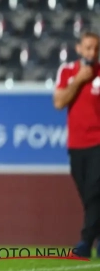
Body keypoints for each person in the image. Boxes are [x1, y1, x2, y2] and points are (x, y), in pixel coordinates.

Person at [53, 31, 100, 258]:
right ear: (79, 48)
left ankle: (85, 242)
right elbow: (59, 102)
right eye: (88, 47)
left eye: (96, 48)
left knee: (94, 190)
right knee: (87, 194)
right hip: (76, 144)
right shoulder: (68, 71)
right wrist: (79, 80)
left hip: (98, 142)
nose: (92, 52)